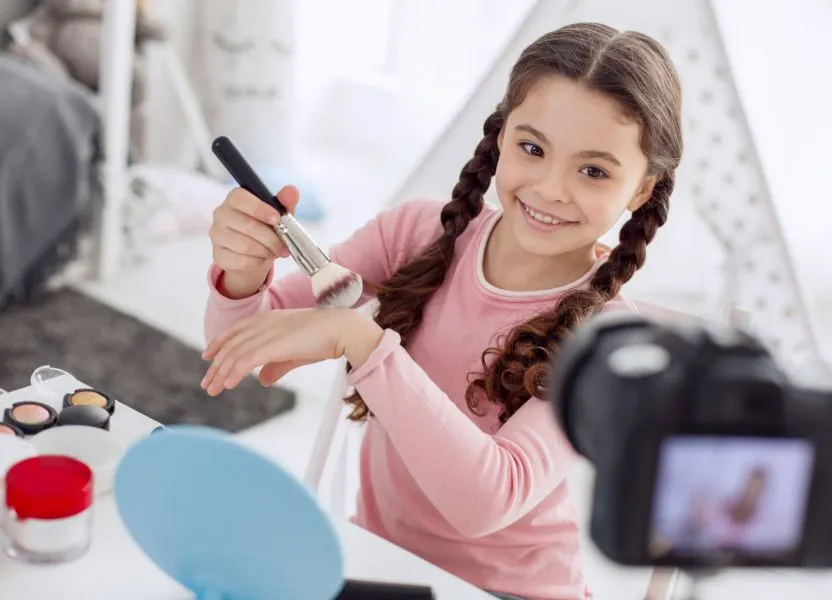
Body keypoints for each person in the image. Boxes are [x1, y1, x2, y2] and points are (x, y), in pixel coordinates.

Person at [200, 22, 683, 600]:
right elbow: (243, 348)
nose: (552, 188)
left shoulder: (607, 341)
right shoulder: (416, 234)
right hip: (383, 567)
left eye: (594, 170)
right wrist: (245, 271)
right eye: (532, 148)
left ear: (640, 190)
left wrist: (361, 341)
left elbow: (487, 502)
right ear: (501, 137)